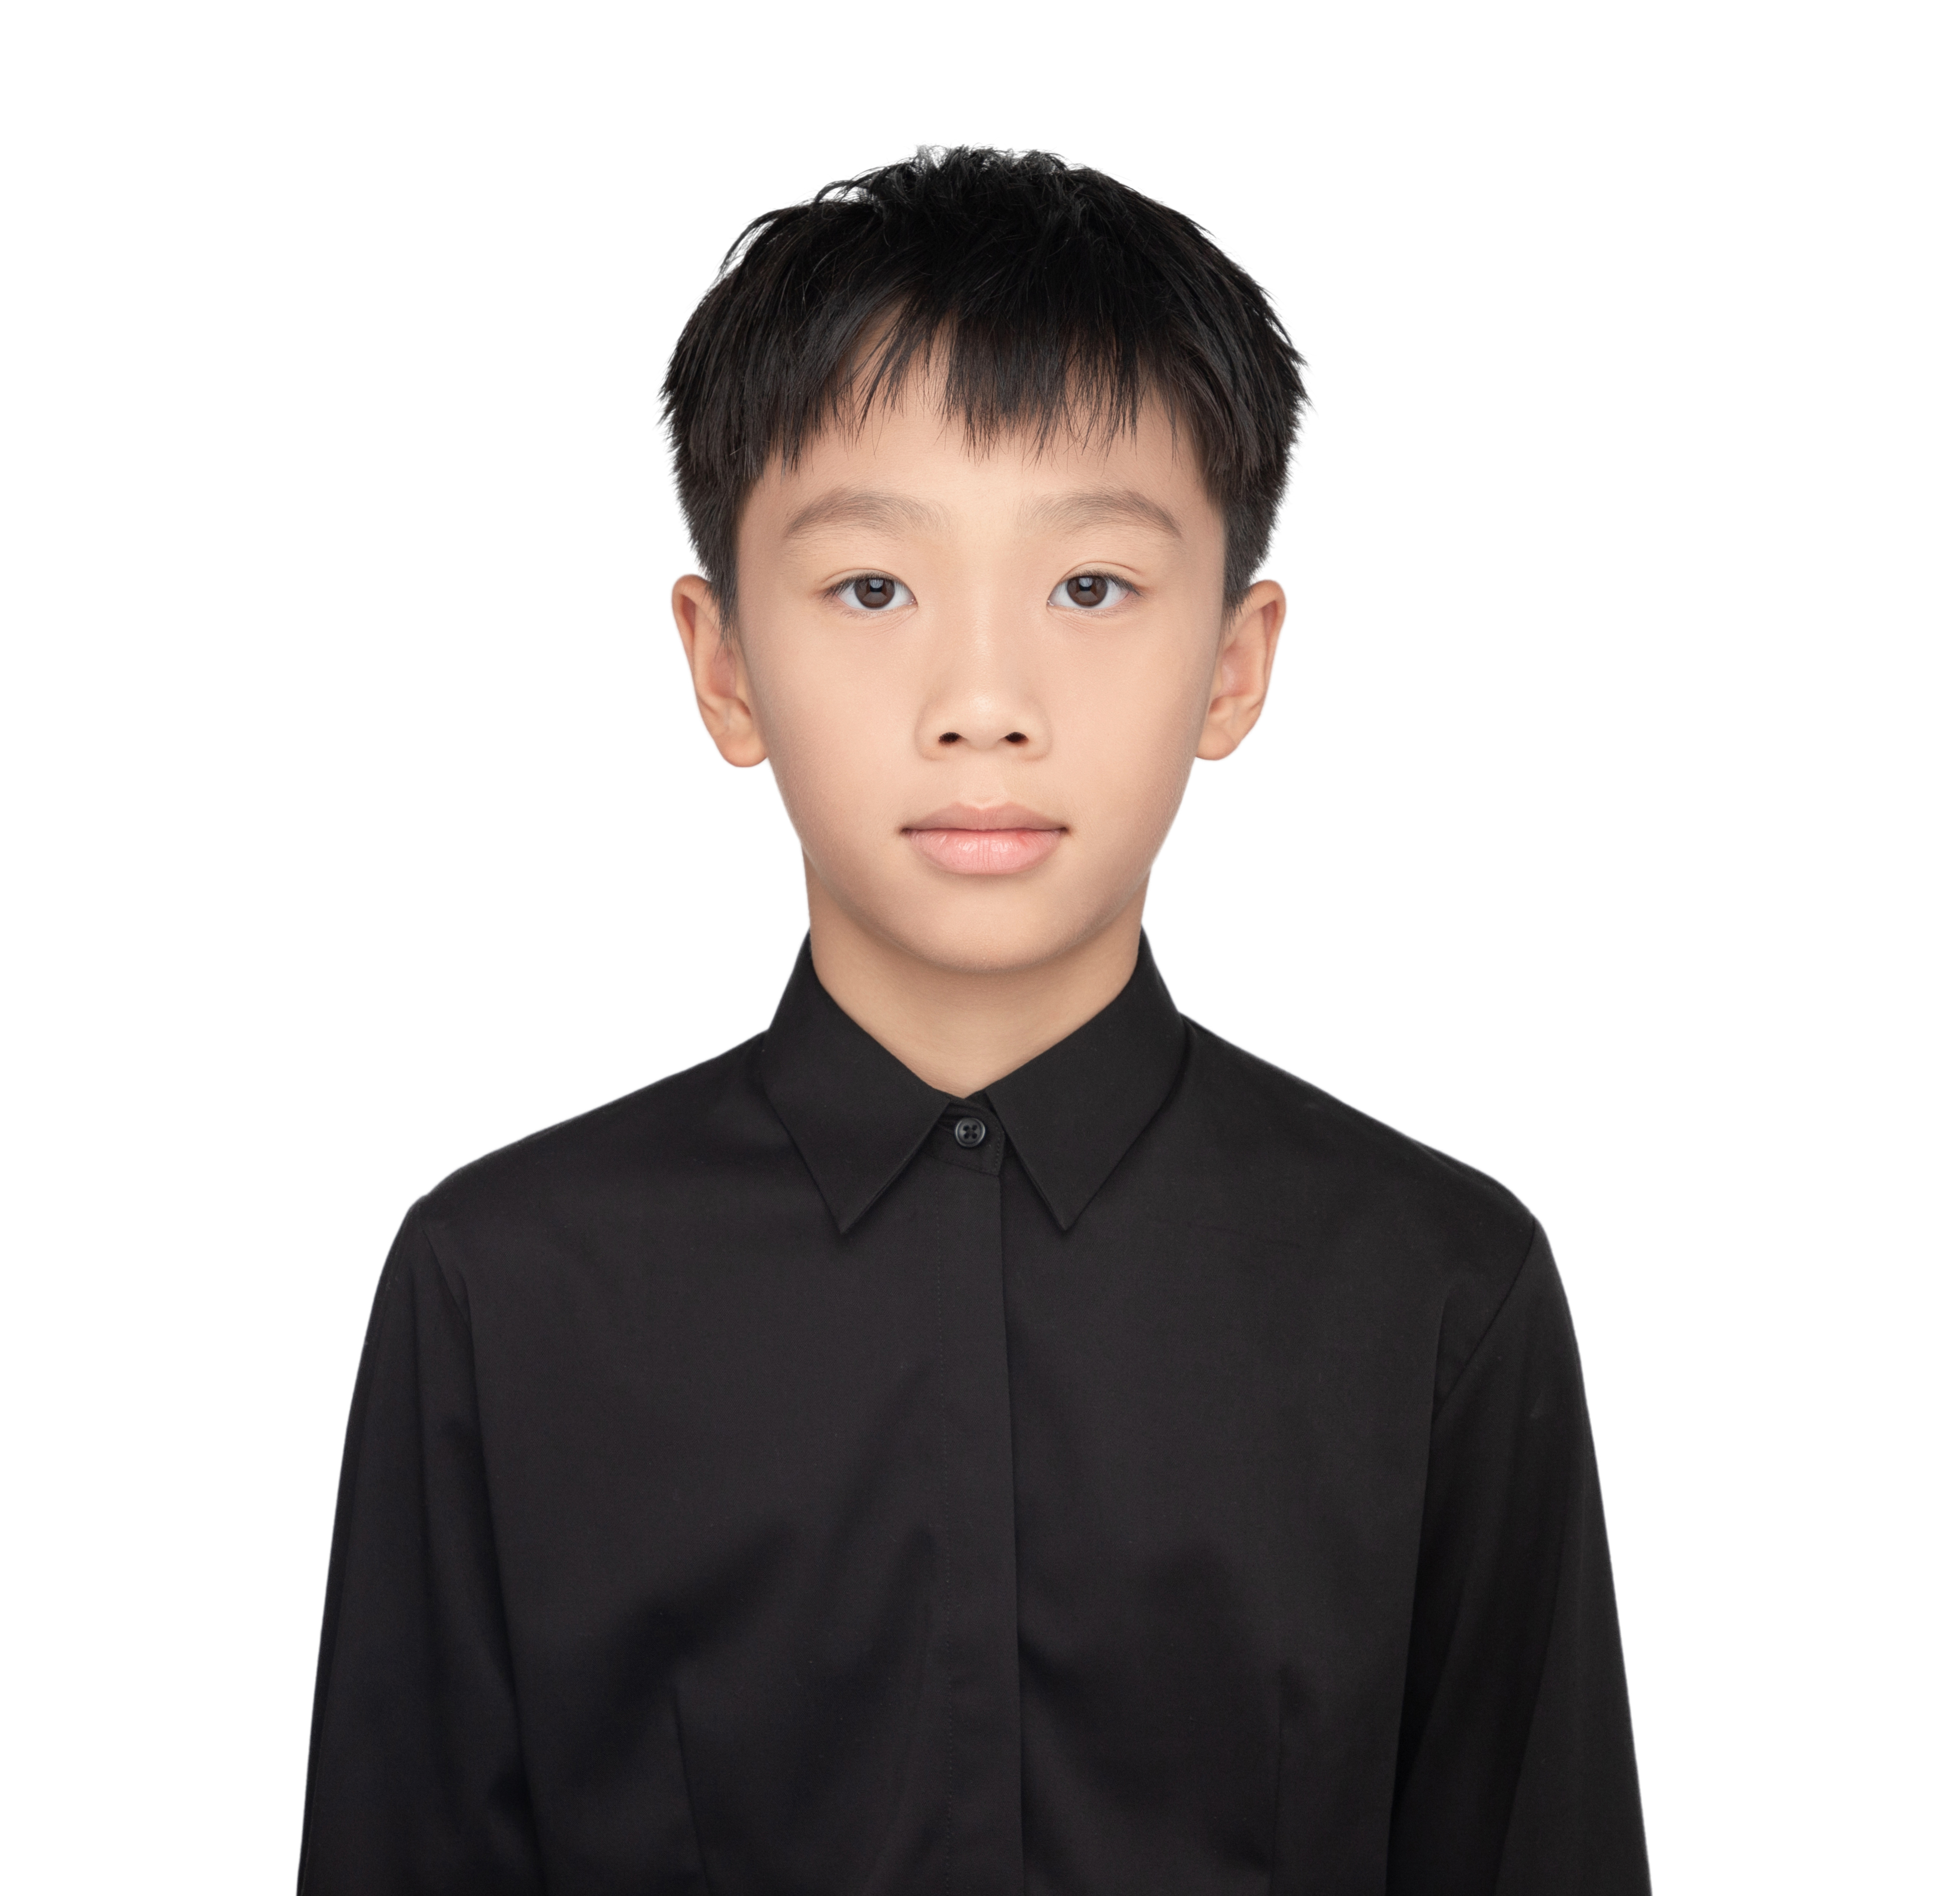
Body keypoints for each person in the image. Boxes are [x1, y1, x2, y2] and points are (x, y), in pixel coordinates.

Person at [297, 147, 1648, 1896]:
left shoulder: (1440, 1297)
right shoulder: (503, 1294)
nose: (985, 704)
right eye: (874, 588)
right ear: (724, 664)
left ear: (1235, 661)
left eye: (1091, 587)